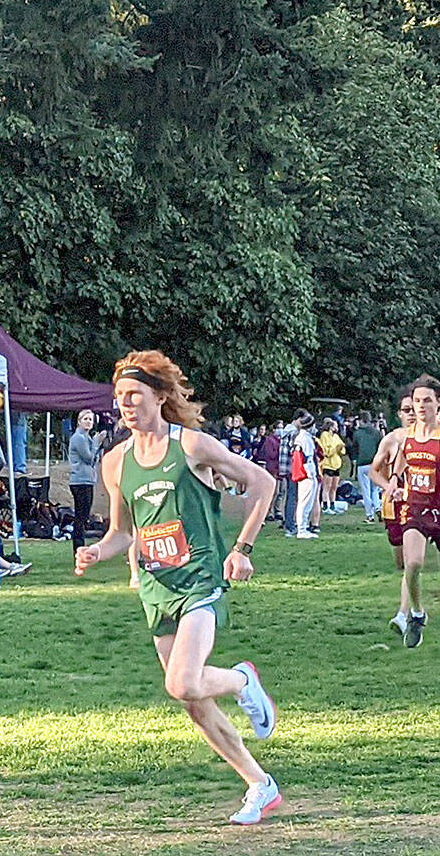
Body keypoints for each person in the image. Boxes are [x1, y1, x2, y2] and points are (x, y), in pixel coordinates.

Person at [74, 351, 280, 825]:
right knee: (191, 702)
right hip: (155, 585)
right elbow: (123, 532)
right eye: (119, 398)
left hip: (201, 577)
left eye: (135, 396)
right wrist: (96, 552)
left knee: (183, 681)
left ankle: (243, 681)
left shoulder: (192, 446)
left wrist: (242, 549)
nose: (125, 405)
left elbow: (263, 482)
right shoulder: (115, 462)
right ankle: (258, 784)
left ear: (160, 397)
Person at [372, 375, 440, 651]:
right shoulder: (405, 437)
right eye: (416, 401)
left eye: (427, 401)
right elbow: (397, 470)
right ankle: (416, 613)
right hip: (414, 510)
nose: (420, 406)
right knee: (413, 564)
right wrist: (392, 484)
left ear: (439, 403)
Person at [372, 392, 416, 633]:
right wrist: (389, 485)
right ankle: (415, 604)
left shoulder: (431, 437)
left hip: (420, 505)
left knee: (412, 561)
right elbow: (374, 472)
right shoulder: (390, 440)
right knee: (401, 561)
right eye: (406, 410)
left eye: (414, 409)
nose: (411, 414)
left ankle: (404, 613)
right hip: (394, 505)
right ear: (399, 414)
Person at [68, 409, 105, 550]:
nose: (89, 422)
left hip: (87, 480)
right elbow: (88, 457)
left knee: (84, 515)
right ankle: (78, 547)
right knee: (81, 516)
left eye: (91, 420)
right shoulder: (78, 438)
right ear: (79, 421)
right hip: (80, 481)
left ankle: (80, 545)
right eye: (86, 419)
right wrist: (96, 442)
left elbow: (94, 458)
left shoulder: (86, 437)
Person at [290, 412, 318, 538]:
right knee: (304, 501)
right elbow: (306, 458)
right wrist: (310, 473)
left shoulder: (304, 437)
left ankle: (304, 527)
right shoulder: (304, 439)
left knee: (307, 501)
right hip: (307, 473)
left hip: (308, 472)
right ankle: (301, 529)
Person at [352, 412, 384, 522]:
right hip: (375, 464)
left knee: (366, 491)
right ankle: (378, 507)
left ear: (361, 420)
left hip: (362, 464)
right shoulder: (377, 433)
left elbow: (354, 448)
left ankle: (369, 515)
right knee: (375, 489)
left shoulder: (357, 433)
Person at [317, 419, 346, 514]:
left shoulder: (336, 436)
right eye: (335, 425)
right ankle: (325, 506)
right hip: (328, 464)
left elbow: (342, 451)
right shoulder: (324, 435)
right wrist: (335, 448)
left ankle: (333, 505)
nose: (336, 427)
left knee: (334, 487)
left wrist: (341, 449)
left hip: (336, 464)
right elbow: (326, 452)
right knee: (327, 486)